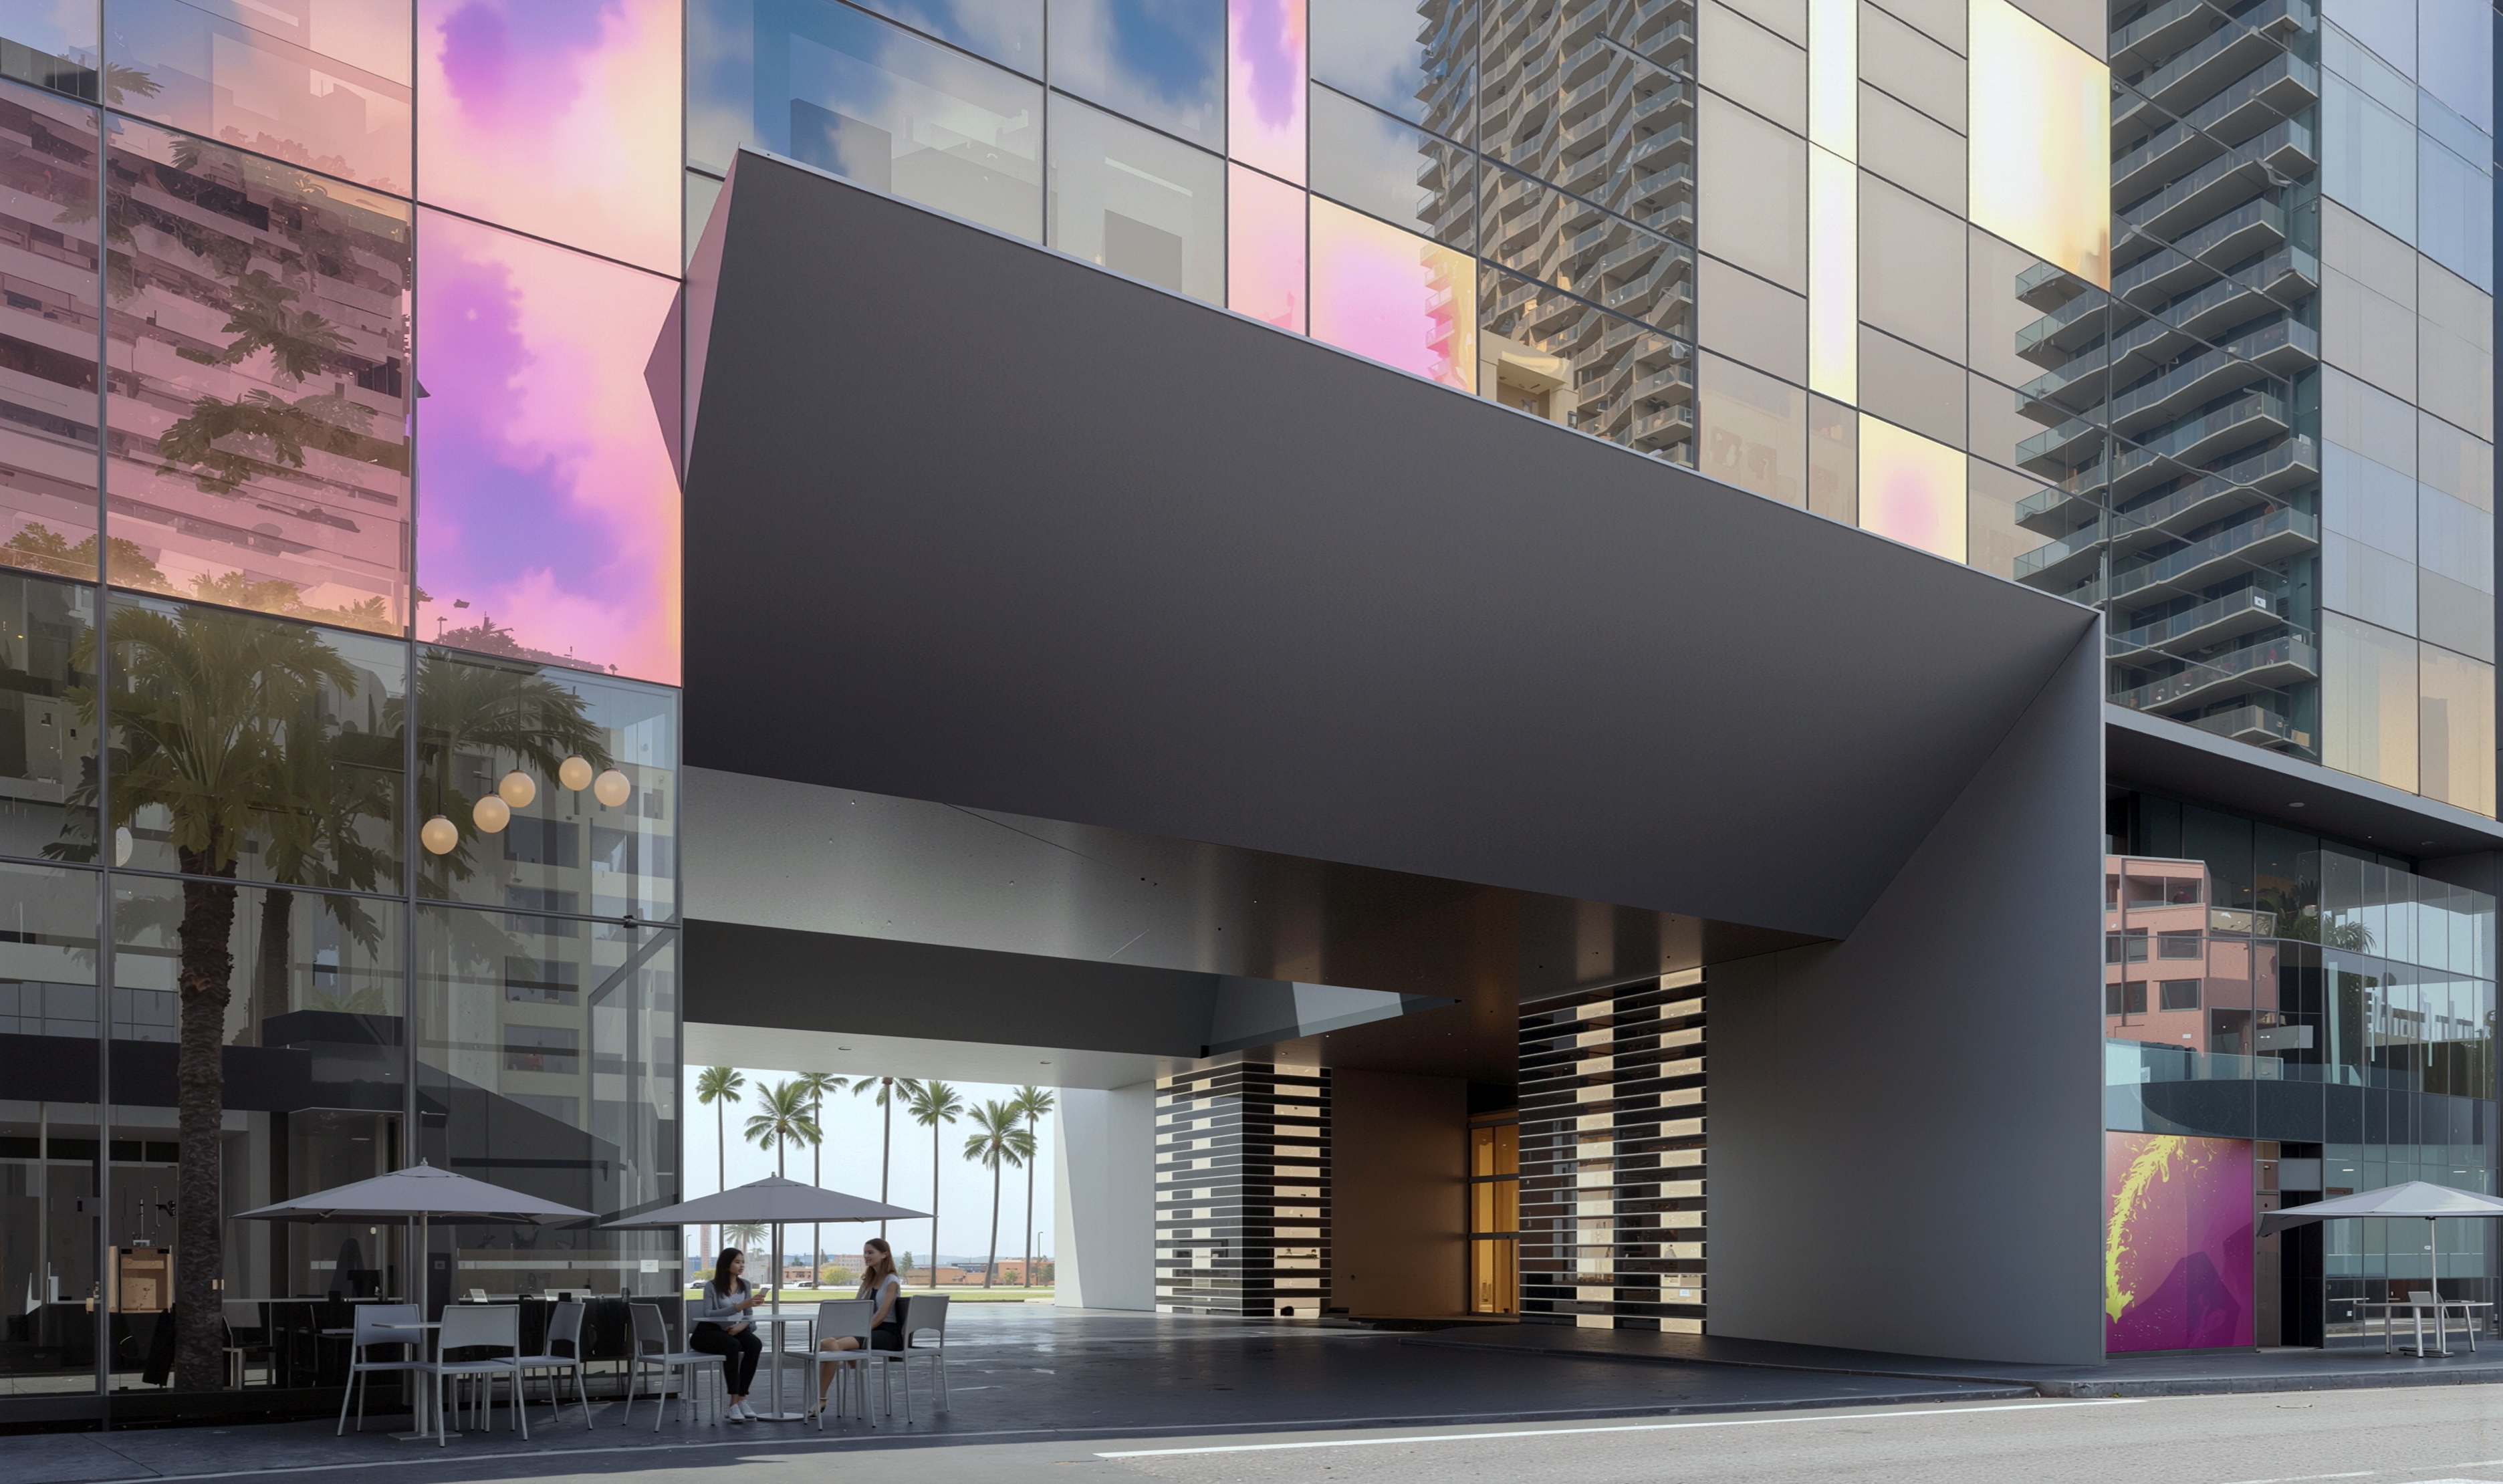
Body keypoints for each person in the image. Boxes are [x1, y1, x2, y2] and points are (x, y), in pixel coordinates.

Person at [815, 1237, 905, 1405]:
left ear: (885, 1255)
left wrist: (860, 1331)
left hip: (887, 1332)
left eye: (870, 1252)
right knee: (825, 1342)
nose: (866, 1256)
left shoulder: (892, 1281)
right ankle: (856, 1367)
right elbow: (856, 1308)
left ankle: (821, 1399)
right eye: (865, 1252)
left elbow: (883, 1314)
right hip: (867, 1329)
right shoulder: (868, 1280)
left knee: (835, 1345)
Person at [688, 1248, 767, 1422]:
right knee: (733, 1345)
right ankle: (732, 1404)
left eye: (743, 1262)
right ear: (726, 1265)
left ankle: (742, 1399)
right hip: (709, 1331)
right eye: (737, 1262)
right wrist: (737, 1307)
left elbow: (749, 1314)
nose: (741, 1266)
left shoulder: (745, 1285)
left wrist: (742, 1325)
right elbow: (709, 1314)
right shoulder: (712, 1286)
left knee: (755, 1344)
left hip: (736, 1329)